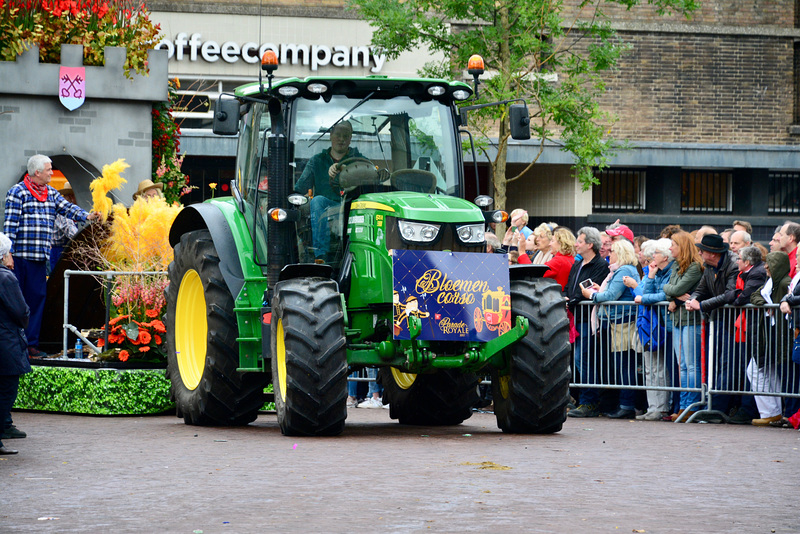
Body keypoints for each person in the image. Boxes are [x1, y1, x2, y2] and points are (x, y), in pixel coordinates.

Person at [3, 155, 99, 357]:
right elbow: (10, 225)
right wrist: (7, 254)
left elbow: (68, 209)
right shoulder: (17, 192)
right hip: (19, 258)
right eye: (48, 169)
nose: (50, 172)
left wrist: (88, 216)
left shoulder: (51, 193)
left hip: (39, 259)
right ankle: (14, 344)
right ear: (37, 172)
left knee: (37, 301)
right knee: (15, 302)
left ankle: (31, 345)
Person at [685, 233, 740, 422]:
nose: (699, 252)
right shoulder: (708, 265)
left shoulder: (732, 265)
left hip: (731, 322)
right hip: (716, 321)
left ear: (713, 253)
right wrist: (692, 299)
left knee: (726, 365)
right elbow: (701, 289)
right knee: (713, 364)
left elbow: (729, 295)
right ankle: (711, 405)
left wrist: (701, 305)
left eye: (702, 250)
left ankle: (717, 408)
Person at [584, 239, 640, 419]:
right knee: (622, 365)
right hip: (618, 321)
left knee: (625, 365)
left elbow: (611, 296)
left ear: (621, 253)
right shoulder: (620, 271)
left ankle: (627, 405)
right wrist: (600, 291)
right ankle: (624, 404)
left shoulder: (624, 270)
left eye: (613, 251)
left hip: (622, 322)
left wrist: (592, 295)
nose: (609, 254)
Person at [294, 120, 362, 262]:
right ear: (331, 135)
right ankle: (321, 256)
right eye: (338, 134)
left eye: (346, 135)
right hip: (328, 207)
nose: (342, 139)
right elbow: (298, 190)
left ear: (351, 138)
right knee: (318, 200)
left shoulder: (359, 161)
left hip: (354, 206)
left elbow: (372, 180)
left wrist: (347, 171)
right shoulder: (317, 161)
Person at [565, 227, 610, 418]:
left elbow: (589, 291)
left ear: (590, 245)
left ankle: (589, 401)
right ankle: (582, 398)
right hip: (576, 318)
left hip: (588, 320)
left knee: (584, 359)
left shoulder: (600, 265)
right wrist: (567, 297)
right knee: (577, 359)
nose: (576, 244)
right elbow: (570, 287)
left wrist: (572, 300)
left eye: (579, 241)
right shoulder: (577, 264)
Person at [662, 231, 704, 422]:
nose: (670, 248)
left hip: (690, 320)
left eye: (673, 244)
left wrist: (673, 294)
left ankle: (690, 404)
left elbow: (675, 289)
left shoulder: (695, 267)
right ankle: (684, 405)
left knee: (691, 365)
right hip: (678, 319)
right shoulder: (676, 266)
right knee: (683, 365)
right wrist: (675, 296)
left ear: (682, 247)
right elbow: (668, 289)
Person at [633, 238, 674, 420]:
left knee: (659, 368)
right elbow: (647, 293)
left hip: (664, 323)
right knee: (650, 368)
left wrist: (646, 299)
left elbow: (665, 294)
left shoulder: (672, 272)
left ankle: (662, 407)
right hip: (651, 323)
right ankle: (652, 407)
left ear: (665, 257)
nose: (651, 257)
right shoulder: (655, 272)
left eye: (655, 254)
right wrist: (650, 276)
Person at [749, 251, 792, 426]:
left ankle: (773, 412)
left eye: (770, 264)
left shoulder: (784, 283)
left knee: (763, 371)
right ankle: (772, 412)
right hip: (771, 334)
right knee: (766, 370)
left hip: (781, 334)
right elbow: (755, 295)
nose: (766, 266)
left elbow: (788, 299)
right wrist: (765, 304)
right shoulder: (770, 283)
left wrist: (776, 304)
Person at [726, 245, 767, 425]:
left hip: (751, 327)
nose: (736, 262)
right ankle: (746, 408)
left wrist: (735, 298)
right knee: (748, 369)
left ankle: (750, 408)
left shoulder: (756, 273)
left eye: (739, 259)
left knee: (753, 370)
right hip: (744, 326)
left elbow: (743, 298)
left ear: (747, 262)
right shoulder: (746, 273)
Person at [0, 232, 31, 455]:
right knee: (6, 390)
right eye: (10, 253)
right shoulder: (6, 278)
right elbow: (20, 311)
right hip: (6, 341)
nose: (12, 258)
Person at [50, 181, 81, 272]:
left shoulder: (73, 212)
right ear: (72, 197)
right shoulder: (64, 212)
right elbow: (72, 233)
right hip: (61, 252)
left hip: (66, 251)